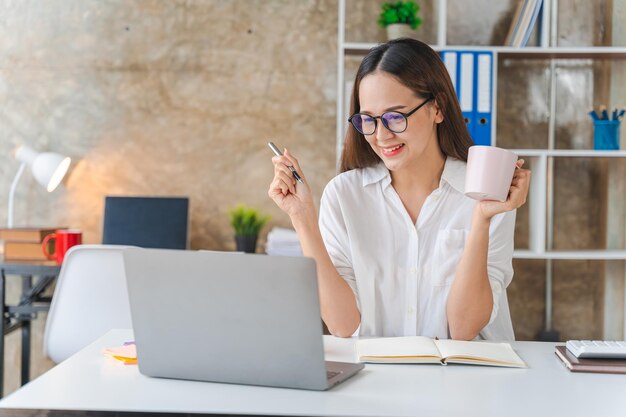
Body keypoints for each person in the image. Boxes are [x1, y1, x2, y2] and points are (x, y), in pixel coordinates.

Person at [268, 38, 530, 341]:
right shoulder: (345, 195)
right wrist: (302, 217)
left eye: (395, 117)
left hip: (464, 379)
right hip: (378, 378)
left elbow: (464, 328)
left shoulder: (486, 192)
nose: (381, 135)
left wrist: (482, 217)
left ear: (437, 108)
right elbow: (343, 325)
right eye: (368, 120)